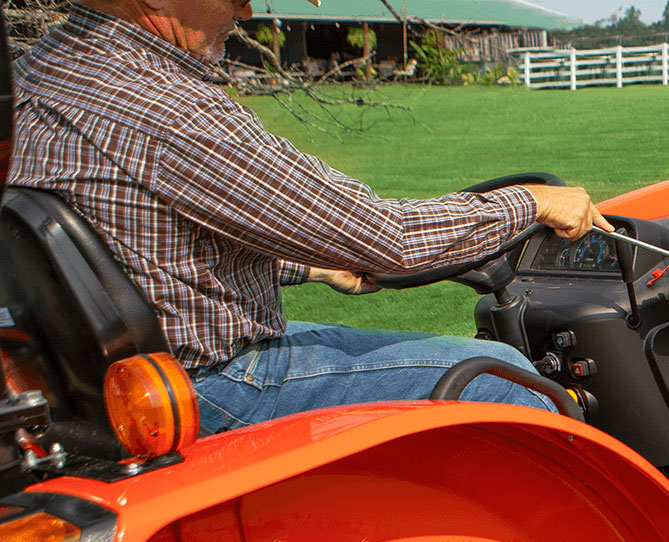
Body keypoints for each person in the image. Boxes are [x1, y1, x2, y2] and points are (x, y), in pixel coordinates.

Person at [8, 0, 612, 434]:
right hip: (213, 386)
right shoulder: (168, 110)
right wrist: (532, 202)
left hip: (103, 376)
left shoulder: (44, 70)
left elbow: (135, 238)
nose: (245, 8)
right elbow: (388, 237)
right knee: (509, 377)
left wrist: (310, 267)